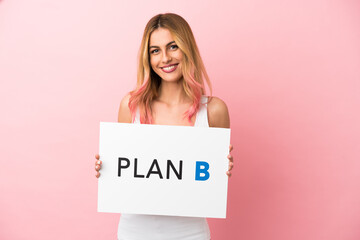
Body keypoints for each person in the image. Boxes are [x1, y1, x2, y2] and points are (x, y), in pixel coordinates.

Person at [94, 13, 234, 240]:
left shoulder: (214, 111)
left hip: (191, 233)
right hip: (135, 232)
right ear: (147, 58)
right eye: (155, 51)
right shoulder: (131, 106)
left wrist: (222, 170)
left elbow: (210, 182)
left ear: (187, 48)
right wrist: (108, 168)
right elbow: (124, 173)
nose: (165, 58)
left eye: (173, 47)